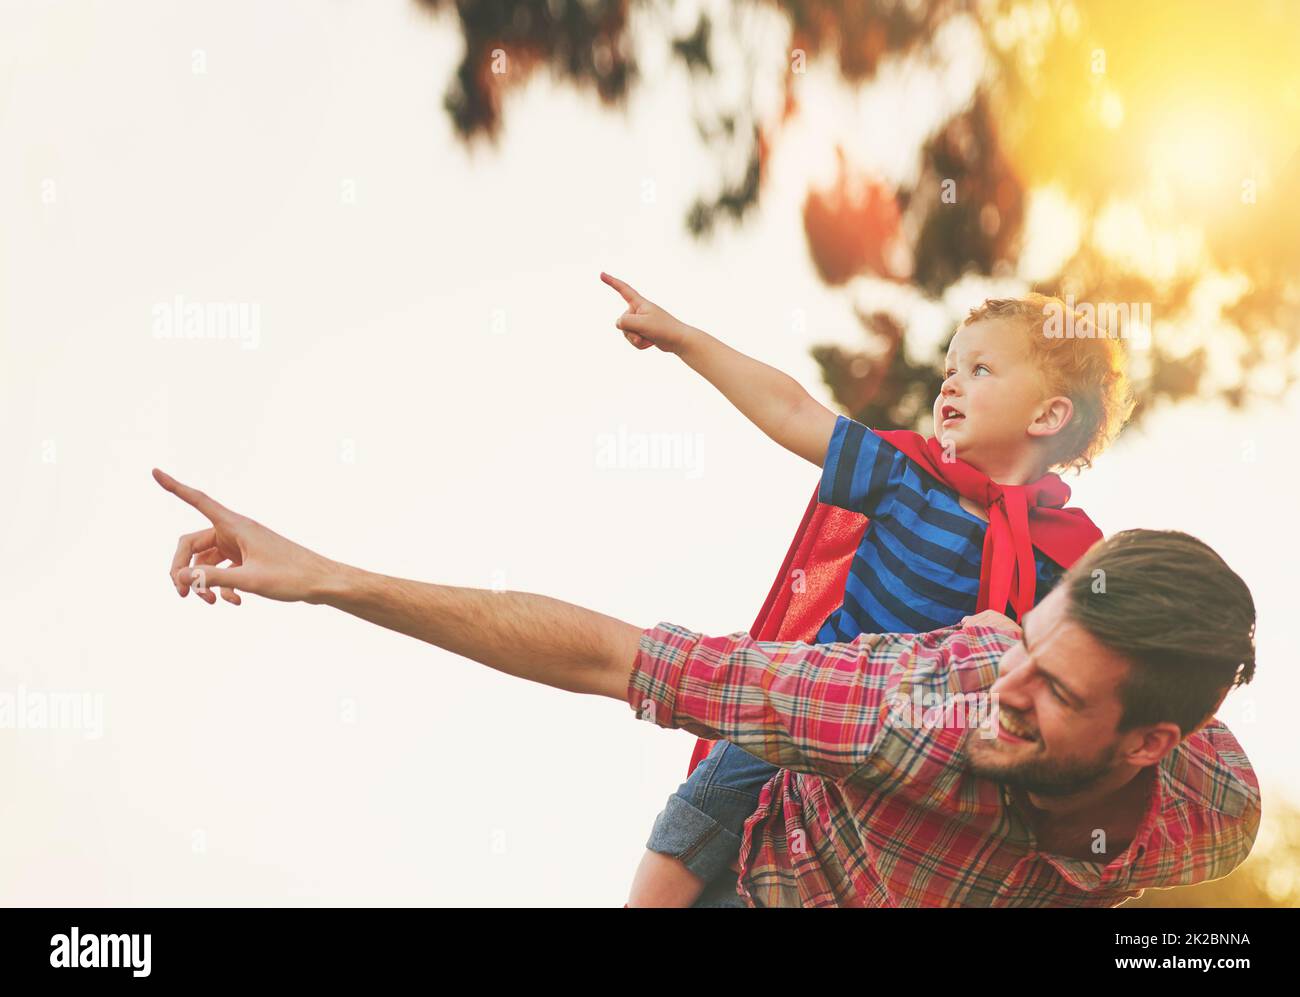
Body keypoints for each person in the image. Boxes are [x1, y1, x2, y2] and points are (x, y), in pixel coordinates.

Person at [153, 469, 1260, 907]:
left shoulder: (1213, 814)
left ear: (1147, 741)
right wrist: (333, 578)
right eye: (1023, 643)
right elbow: (614, 657)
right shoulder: (904, 705)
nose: (1004, 690)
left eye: (1055, 691)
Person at [601, 273, 1136, 905]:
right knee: (711, 800)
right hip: (816, 703)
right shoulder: (905, 475)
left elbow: (1096, 670)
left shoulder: (1071, 558)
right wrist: (683, 339)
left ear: (1048, 414)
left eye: (982, 368)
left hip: (918, 761)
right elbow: (792, 408)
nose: (951, 383)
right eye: (949, 369)